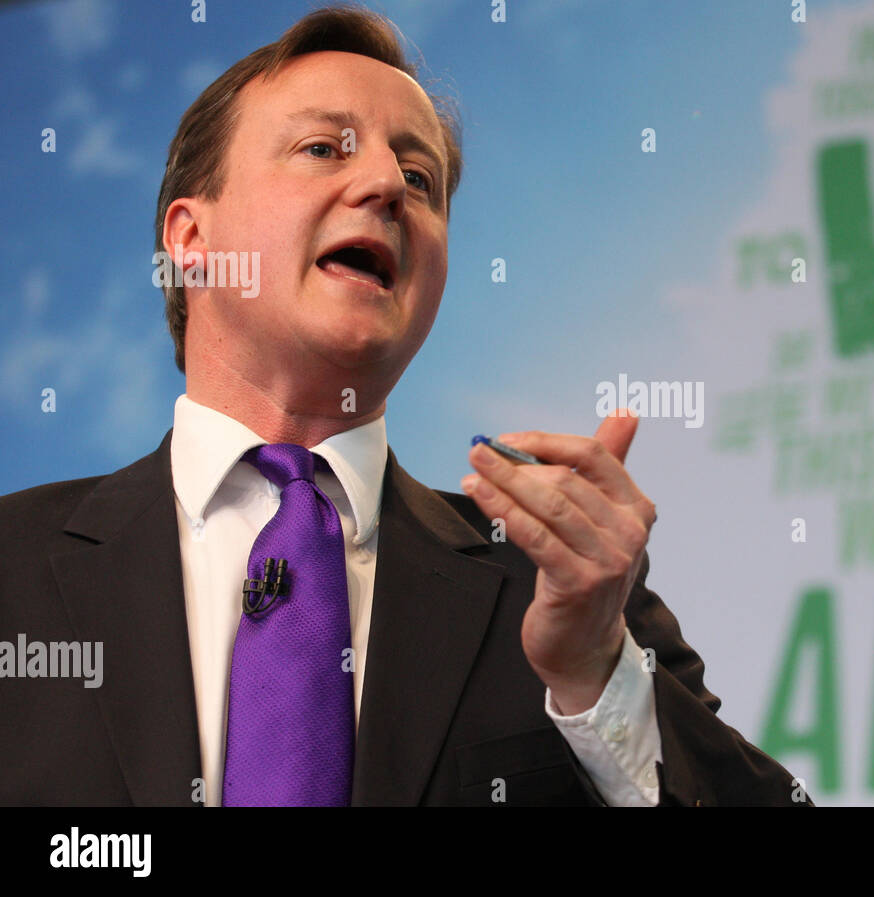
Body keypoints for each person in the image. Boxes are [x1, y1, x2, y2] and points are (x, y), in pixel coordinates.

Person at [0, 6, 808, 807]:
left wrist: (596, 678)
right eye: (322, 149)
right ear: (190, 238)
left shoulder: (564, 590)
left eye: (420, 180)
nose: (387, 184)